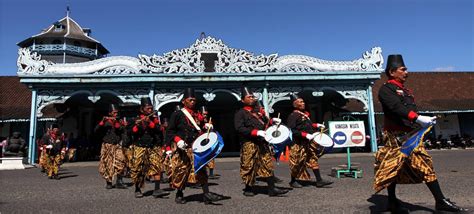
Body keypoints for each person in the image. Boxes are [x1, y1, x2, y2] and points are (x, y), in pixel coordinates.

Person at [374, 54, 467, 213]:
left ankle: (392, 202)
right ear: (392, 71)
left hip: (410, 134)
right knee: (420, 164)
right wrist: (418, 118)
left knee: (396, 168)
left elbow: (410, 110)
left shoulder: (406, 91)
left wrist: (423, 120)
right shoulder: (386, 89)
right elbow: (396, 108)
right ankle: (440, 201)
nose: (406, 72)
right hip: (397, 137)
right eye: (403, 69)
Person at [167, 88, 225, 204]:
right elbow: (170, 132)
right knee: (182, 171)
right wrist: (178, 141)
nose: (193, 101)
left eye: (194, 100)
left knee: (202, 170)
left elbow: (201, 128)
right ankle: (179, 193)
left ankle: (206, 193)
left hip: (197, 147)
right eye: (190, 100)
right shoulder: (177, 114)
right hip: (184, 147)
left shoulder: (197, 114)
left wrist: (207, 126)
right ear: (184, 101)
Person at [234, 87, 288, 197]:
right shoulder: (240, 113)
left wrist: (273, 121)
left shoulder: (259, 112)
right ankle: (248, 188)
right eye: (249, 97)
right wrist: (255, 132)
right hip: (249, 143)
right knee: (249, 165)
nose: (252, 98)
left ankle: (272, 189)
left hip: (262, 142)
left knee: (267, 164)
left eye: (253, 96)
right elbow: (239, 128)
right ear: (243, 100)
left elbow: (266, 124)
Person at [286, 93, 333, 188]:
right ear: (295, 104)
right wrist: (305, 135)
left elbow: (307, 126)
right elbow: (291, 130)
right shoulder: (293, 115)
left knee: (312, 159)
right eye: (300, 102)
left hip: (307, 142)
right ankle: (293, 181)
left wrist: (316, 125)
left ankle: (319, 180)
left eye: (303, 101)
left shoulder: (304, 115)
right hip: (298, 143)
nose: (303, 103)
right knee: (296, 161)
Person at [130, 97, 169, 198]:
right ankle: (137, 189)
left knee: (157, 167)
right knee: (138, 169)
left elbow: (160, 130)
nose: (150, 110)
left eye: (151, 108)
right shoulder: (135, 119)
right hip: (140, 147)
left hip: (153, 146)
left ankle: (157, 189)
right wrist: (137, 125)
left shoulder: (155, 119)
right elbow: (131, 132)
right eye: (148, 108)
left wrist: (151, 124)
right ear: (142, 109)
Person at [95, 104, 128, 189]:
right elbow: (96, 130)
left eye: (117, 112)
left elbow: (123, 131)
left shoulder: (119, 121)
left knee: (121, 161)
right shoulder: (105, 122)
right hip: (107, 146)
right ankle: (109, 182)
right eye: (114, 112)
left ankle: (119, 181)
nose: (116, 114)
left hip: (117, 145)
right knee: (107, 164)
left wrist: (122, 125)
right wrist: (102, 122)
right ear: (110, 113)